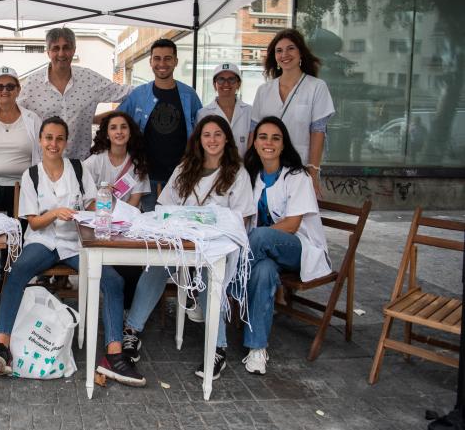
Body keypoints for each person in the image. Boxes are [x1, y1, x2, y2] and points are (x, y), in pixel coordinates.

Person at [0, 116, 145, 386]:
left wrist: (103, 201)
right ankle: (1, 346)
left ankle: (113, 355)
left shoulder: (77, 169)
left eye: (59, 138)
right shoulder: (31, 175)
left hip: (75, 242)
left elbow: (90, 206)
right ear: (40, 140)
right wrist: (54, 214)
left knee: (113, 280)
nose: (54, 143)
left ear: (66, 142)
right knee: (16, 273)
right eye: (48, 138)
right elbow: (34, 222)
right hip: (42, 241)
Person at [121, 115, 254, 378]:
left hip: (216, 246)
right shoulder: (185, 169)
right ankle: (131, 332)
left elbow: (242, 218)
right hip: (182, 243)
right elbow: (163, 206)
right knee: (157, 265)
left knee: (209, 273)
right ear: (199, 139)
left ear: (226, 137)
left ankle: (218, 349)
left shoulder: (237, 173)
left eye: (218, 134)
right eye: (207, 135)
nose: (212, 140)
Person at [242, 116, 331, 375]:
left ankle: (230, 283)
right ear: (255, 143)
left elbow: (292, 225)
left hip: (298, 250)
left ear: (283, 144)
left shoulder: (296, 176)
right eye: (263, 137)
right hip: (263, 255)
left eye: (275, 138)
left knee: (257, 236)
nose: (268, 142)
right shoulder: (251, 176)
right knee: (263, 271)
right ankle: (257, 348)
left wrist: (254, 237)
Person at [18, 27, 130, 160]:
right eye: (55, 48)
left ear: (73, 50)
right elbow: (12, 113)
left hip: (80, 166)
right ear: (48, 52)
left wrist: (94, 118)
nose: (61, 53)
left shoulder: (89, 79)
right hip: (44, 168)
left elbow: (127, 93)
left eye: (66, 48)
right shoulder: (32, 84)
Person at [117, 38, 202, 211]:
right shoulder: (139, 94)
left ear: (175, 61)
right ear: (150, 62)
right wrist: (90, 119)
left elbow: (202, 131)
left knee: (176, 226)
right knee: (147, 226)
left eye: (167, 58)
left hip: (181, 176)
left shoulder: (189, 95)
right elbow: (117, 119)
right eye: (157, 58)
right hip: (146, 177)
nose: (162, 63)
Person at [250, 29, 335, 195]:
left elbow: (318, 132)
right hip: (266, 167)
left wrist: (313, 170)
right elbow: (254, 131)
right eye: (279, 50)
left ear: (301, 52)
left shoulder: (316, 87)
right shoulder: (264, 90)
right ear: (274, 57)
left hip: (300, 168)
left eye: (291, 48)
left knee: (297, 216)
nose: (285, 54)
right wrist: (250, 167)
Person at [83, 110, 150, 308]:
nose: (119, 132)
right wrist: (102, 195)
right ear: (106, 134)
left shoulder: (137, 165)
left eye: (123, 127)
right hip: (97, 226)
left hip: (125, 228)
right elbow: (86, 200)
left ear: (130, 132)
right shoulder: (95, 161)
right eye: (113, 128)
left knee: (131, 267)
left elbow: (134, 203)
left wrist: (112, 211)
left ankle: (127, 310)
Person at [0, 66, 42, 216]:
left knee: (21, 234)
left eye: (10, 86)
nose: (5, 90)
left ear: (18, 90)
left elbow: (42, 154)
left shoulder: (32, 119)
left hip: (24, 189)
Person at [197, 63, 252, 157]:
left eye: (231, 79)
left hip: (244, 168)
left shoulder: (250, 112)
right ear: (214, 85)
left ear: (238, 84)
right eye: (221, 79)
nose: (226, 84)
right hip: (215, 169)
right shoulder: (203, 114)